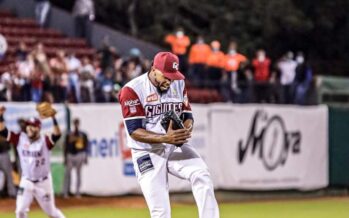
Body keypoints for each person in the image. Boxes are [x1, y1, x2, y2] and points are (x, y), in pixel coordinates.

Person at [118, 52, 219, 218]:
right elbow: (134, 131)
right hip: (147, 152)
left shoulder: (178, 83)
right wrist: (166, 138)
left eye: (173, 76)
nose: (170, 80)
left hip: (173, 145)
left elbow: (187, 116)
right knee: (161, 211)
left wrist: (186, 129)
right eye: (166, 76)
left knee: (202, 175)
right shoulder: (132, 90)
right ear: (153, 69)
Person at [0, 106, 65, 218]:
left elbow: (57, 134)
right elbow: (2, 131)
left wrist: (53, 118)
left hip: (43, 183)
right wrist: (0, 115)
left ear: (38, 128)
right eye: (28, 125)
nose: (29, 128)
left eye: (33, 126)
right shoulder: (20, 138)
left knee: (51, 212)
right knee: (20, 211)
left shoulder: (44, 141)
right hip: (27, 181)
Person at [63, 118, 89, 198]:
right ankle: (65, 193)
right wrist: (65, 157)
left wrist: (85, 157)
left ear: (79, 123)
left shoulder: (83, 134)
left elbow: (86, 146)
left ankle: (77, 193)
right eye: (75, 123)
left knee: (78, 174)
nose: (76, 124)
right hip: (70, 155)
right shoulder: (69, 134)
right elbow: (65, 146)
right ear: (73, 124)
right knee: (67, 174)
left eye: (77, 123)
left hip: (79, 154)